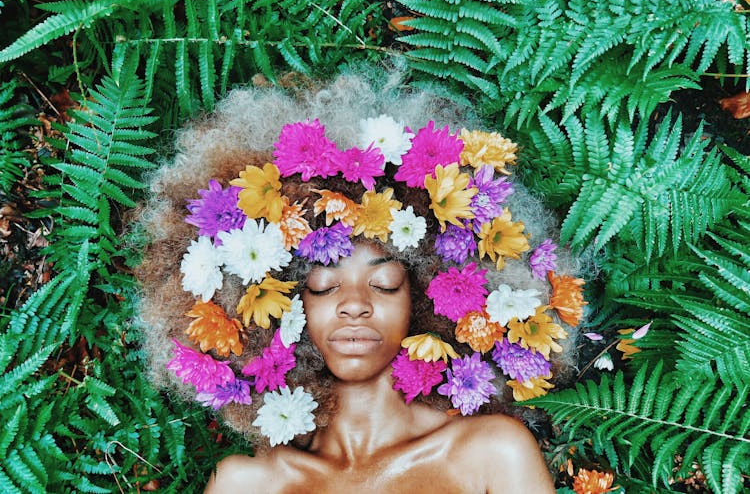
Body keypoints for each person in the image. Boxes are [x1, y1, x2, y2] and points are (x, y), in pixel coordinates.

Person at [134, 67, 586, 493]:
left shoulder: (492, 453)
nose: (354, 304)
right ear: (285, 308)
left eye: (385, 283)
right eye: (325, 286)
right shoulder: (250, 484)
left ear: (427, 301)